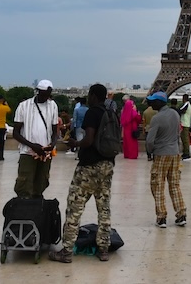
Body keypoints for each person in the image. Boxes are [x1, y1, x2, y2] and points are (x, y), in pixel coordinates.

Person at [50, 83, 115, 264]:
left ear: (94, 95)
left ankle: (67, 251)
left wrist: (74, 143)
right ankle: (103, 249)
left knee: (75, 208)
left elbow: (88, 140)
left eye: (89, 94)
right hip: (107, 165)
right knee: (104, 208)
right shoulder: (111, 113)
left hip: (89, 167)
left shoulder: (92, 113)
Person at [144, 91, 187, 228]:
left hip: (161, 153)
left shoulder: (157, 118)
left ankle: (161, 217)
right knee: (174, 184)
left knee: (157, 185)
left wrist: (150, 151)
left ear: (159, 102)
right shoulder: (175, 114)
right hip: (174, 153)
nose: (151, 104)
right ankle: (181, 214)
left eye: (153, 101)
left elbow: (150, 141)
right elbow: (177, 133)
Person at [12, 79, 60, 198]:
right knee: (25, 182)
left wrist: (52, 144)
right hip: (28, 152)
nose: (45, 97)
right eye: (43, 94)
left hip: (45, 153)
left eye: (47, 94)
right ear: (38, 91)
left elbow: (55, 131)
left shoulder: (53, 106)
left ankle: (37, 206)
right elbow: (16, 133)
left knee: (41, 182)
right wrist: (33, 146)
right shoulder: (24, 106)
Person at [120, 95, 141, 159]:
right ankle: (132, 155)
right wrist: (138, 113)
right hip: (133, 128)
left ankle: (127, 154)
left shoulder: (124, 112)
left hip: (126, 129)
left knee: (126, 142)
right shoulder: (133, 112)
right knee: (133, 143)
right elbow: (138, 119)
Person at [177, 94, 191, 161]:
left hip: (185, 123)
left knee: (185, 139)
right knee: (184, 139)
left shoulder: (186, 104)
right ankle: (185, 153)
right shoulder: (188, 105)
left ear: (184, 98)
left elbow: (181, 110)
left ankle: (187, 154)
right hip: (186, 123)